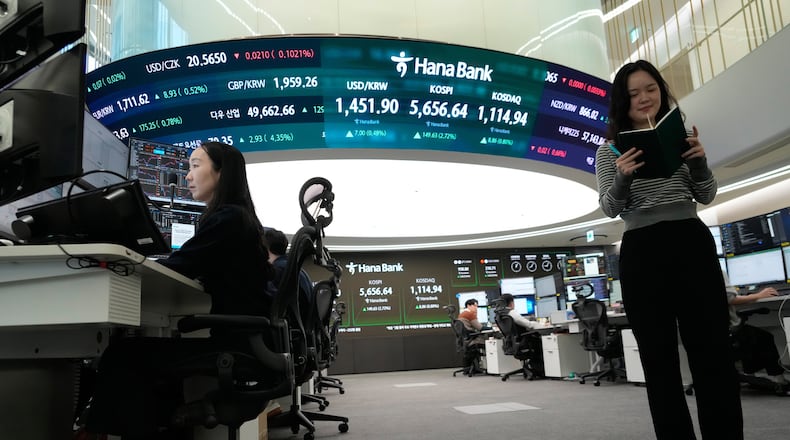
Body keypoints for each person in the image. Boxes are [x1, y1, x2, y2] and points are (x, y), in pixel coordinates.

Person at [83, 141, 276, 439]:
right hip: (249, 342)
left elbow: (181, 266)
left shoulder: (228, 219)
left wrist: (134, 260)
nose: (187, 176)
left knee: (123, 354)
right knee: (151, 357)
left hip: (237, 345)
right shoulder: (241, 219)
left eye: (195, 166)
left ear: (222, 172)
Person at [595, 60, 743, 439]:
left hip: (690, 240)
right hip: (642, 250)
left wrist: (699, 163)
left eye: (650, 89)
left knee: (712, 353)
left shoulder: (679, 137)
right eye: (632, 94)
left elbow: (706, 195)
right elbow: (611, 208)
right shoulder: (609, 150)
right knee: (658, 360)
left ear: (661, 91)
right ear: (620, 103)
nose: (643, 98)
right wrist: (624, 178)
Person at [724, 274, 788, 385]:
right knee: (765, 337)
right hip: (729, 330)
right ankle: (779, 381)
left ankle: (749, 374)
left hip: (708, 331)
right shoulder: (717, 271)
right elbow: (730, 299)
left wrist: (755, 296)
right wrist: (759, 295)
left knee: (749, 334)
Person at [264, 226, 315, 316]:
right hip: (301, 326)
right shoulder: (293, 268)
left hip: (289, 326)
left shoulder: (277, 271)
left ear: (265, 248)